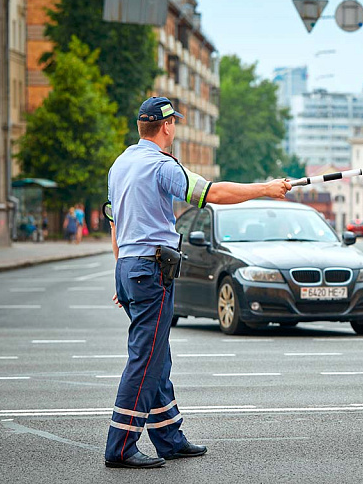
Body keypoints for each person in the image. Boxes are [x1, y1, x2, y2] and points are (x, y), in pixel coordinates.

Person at [103, 96, 291, 469]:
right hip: (150, 271)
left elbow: (114, 222)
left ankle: (169, 438)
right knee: (145, 360)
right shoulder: (161, 166)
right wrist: (265, 189)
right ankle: (120, 446)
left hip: (129, 267)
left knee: (157, 357)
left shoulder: (120, 164)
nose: (176, 129)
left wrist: (120, 269)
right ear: (167, 126)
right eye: (176, 124)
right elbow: (212, 194)